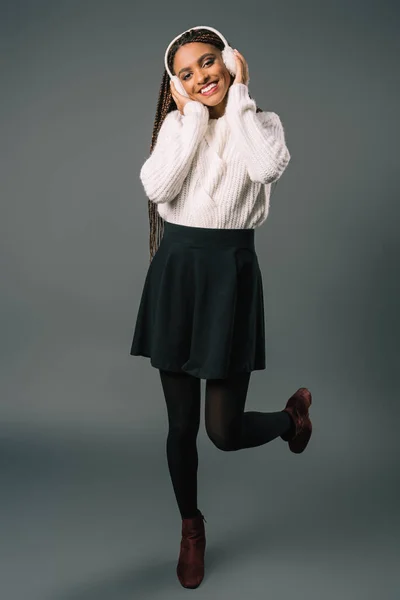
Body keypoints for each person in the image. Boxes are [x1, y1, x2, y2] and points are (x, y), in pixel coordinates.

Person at [129, 26, 313, 589]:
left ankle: (291, 420)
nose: (200, 77)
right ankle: (191, 528)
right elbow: (155, 187)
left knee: (223, 432)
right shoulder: (174, 128)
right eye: (184, 73)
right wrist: (186, 120)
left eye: (208, 63)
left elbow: (266, 169)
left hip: (231, 275)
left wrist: (238, 102)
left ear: (230, 60)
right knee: (181, 426)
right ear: (175, 85)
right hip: (178, 274)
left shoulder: (260, 123)